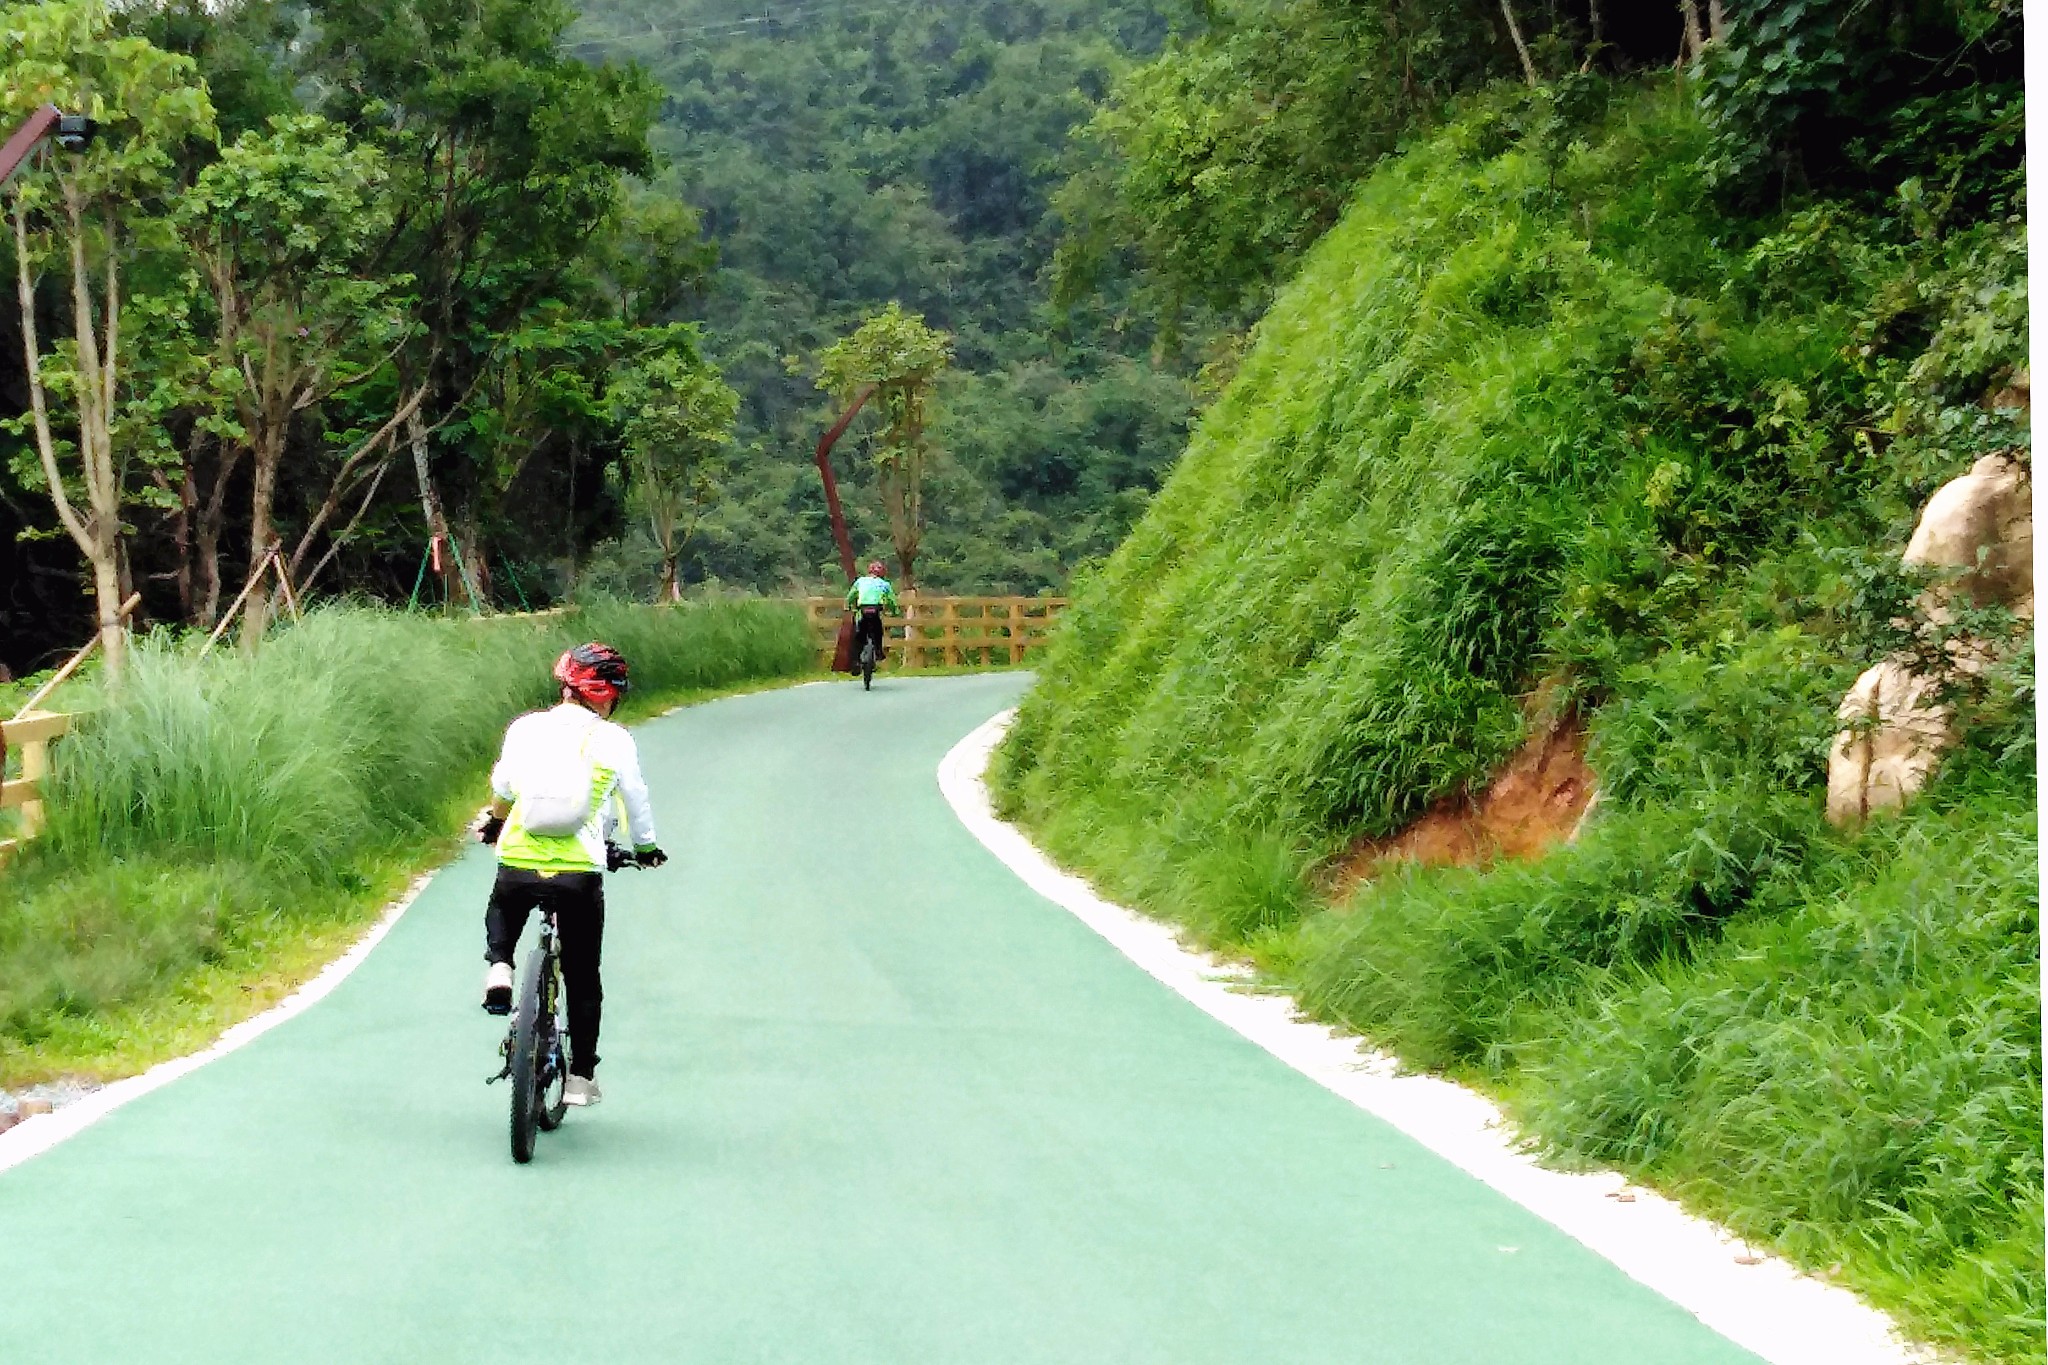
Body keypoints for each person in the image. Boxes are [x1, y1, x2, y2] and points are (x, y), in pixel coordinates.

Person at [476, 642, 666, 1108]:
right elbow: (635, 798)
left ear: (565, 685)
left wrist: (498, 822)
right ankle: (581, 1077)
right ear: (609, 694)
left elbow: (502, 787)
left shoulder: (525, 729)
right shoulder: (614, 739)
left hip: (520, 859)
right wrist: (646, 848)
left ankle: (500, 967)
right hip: (579, 871)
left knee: (505, 902)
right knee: (583, 975)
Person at [845, 559, 899, 669]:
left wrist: (848, 606)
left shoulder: (860, 581)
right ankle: (878, 652)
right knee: (878, 631)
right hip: (875, 610)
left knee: (859, 635)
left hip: (863, 609)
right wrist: (894, 611)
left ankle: (855, 661)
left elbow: (851, 596)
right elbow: (892, 601)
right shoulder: (884, 584)